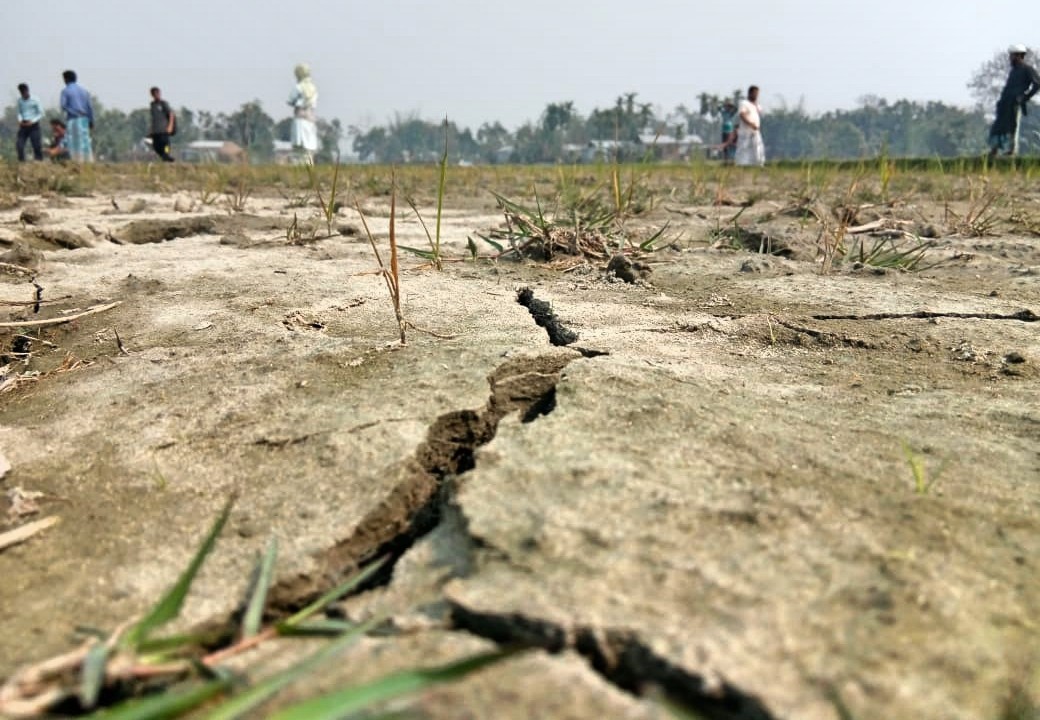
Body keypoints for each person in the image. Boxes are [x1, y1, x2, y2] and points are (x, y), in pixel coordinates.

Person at [987, 44, 1040, 159]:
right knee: (998, 127)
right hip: (1005, 102)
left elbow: (1037, 84)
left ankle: (1011, 150)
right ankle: (994, 150)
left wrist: (1025, 97)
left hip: (1014, 103)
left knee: (1012, 126)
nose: (1010, 58)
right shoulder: (1014, 71)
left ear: (1019, 56)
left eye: (1012, 56)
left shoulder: (1027, 69)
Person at [59, 70, 94, 163]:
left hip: (73, 119)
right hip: (85, 119)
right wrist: (91, 121)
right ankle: (88, 161)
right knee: (85, 141)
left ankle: (77, 162)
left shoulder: (66, 91)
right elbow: (89, 107)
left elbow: (63, 105)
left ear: (65, 79)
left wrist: (73, 112)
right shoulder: (84, 91)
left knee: (74, 141)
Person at [287, 63, 319, 162]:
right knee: (309, 148)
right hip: (310, 119)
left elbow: (290, 99)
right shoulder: (314, 88)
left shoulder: (298, 87)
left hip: (300, 120)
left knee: (299, 148)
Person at [735, 85, 765, 167]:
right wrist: (750, 124)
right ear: (750, 93)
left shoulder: (756, 105)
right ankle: (741, 165)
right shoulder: (744, 103)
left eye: (757, 94)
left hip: (755, 131)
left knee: (758, 148)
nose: (756, 96)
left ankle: (759, 164)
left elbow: (760, 113)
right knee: (744, 149)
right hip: (746, 132)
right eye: (755, 94)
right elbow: (742, 115)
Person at [15, 83, 44, 161]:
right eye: (21, 93)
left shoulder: (35, 99)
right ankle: (22, 162)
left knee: (36, 145)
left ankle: (39, 162)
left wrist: (33, 121)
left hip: (33, 125)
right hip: (23, 124)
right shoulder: (20, 101)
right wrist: (20, 120)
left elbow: (41, 113)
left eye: (24, 92)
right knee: (19, 145)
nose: (23, 95)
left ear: (27, 91)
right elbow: (19, 112)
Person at [148, 87, 176, 162]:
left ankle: (166, 155)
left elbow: (171, 114)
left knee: (166, 145)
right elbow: (153, 118)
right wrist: (151, 130)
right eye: (155, 94)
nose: (157, 95)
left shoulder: (163, 104)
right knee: (156, 146)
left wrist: (170, 126)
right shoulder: (152, 105)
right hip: (156, 130)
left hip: (164, 129)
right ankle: (164, 156)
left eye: (158, 93)